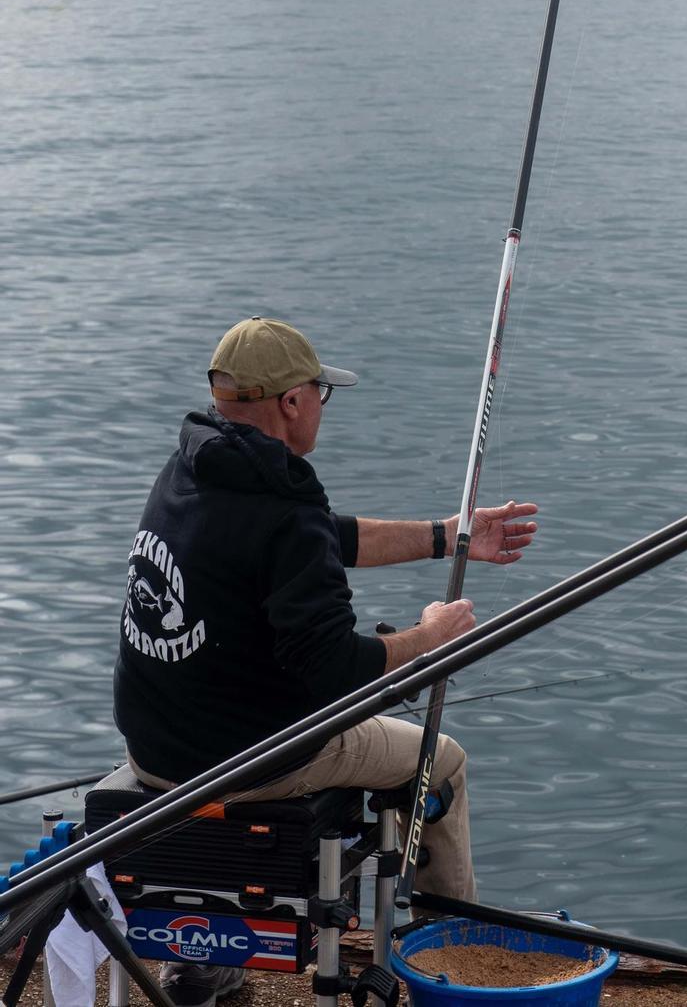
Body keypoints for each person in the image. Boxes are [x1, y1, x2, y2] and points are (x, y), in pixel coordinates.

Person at [114, 315, 538, 1007]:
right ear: (291, 403)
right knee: (445, 762)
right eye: (319, 392)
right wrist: (426, 639)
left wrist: (449, 535)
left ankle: (202, 961)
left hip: (155, 748)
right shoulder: (283, 507)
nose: (320, 406)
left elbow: (324, 539)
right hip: (251, 761)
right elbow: (337, 671)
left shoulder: (193, 469)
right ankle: (454, 960)